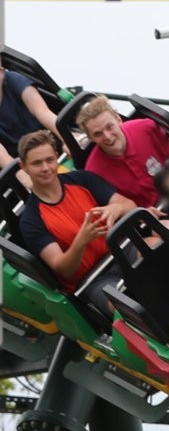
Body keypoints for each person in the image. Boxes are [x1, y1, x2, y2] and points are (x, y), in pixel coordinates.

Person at [17, 130, 135, 309]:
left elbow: (130, 206)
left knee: (156, 246)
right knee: (122, 307)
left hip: (122, 251)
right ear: (24, 167)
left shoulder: (82, 179)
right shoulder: (31, 220)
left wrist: (116, 208)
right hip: (93, 279)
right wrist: (82, 240)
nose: (46, 168)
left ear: (57, 157)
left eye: (49, 160)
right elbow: (63, 270)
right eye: (37, 163)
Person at [78, 94, 169, 209]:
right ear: (90, 138)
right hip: (151, 219)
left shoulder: (146, 128)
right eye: (98, 134)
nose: (108, 136)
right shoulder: (93, 172)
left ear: (118, 119)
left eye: (109, 127)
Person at [0, 66, 60, 175]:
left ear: (1, 72)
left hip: (49, 144)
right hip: (21, 164)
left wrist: (69, 139)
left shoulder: (13, 80)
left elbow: (42, 111)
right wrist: (23, 178)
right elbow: (3, 157)